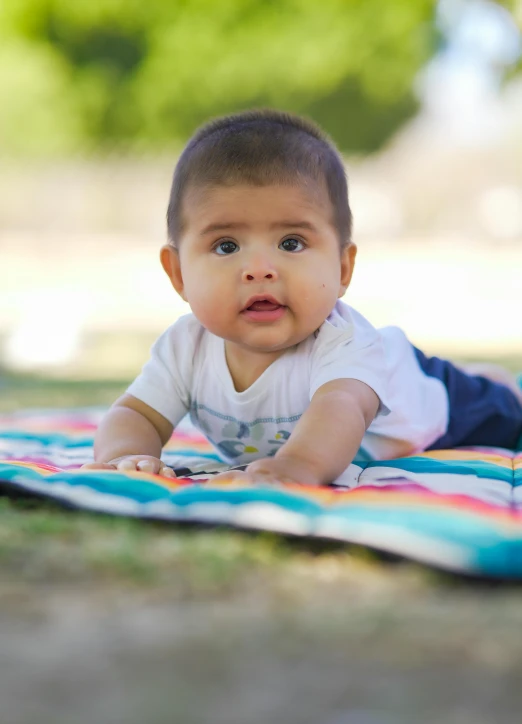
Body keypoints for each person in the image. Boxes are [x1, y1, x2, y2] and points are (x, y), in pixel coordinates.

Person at [82, 109, 522, 486]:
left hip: (429, 403)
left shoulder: (344, 343)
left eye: (291, 243)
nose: (259, 268)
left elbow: (341, 410)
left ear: (342, 268)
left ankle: (495, 384)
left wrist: (295, 468)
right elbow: (135, 414)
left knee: (506, 414)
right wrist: (127, 454)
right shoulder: (185, 348)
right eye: (226, 246)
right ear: (178, 273)